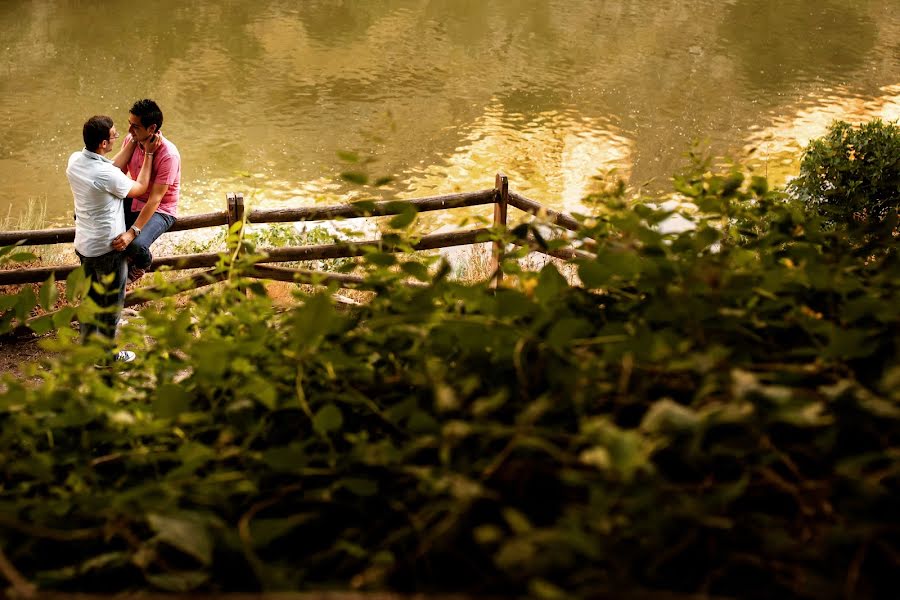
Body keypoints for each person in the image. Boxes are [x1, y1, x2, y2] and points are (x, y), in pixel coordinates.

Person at [66, 115, 160, 362]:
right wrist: (149, 154)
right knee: (111, 305)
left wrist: (130, 143)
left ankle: (88, 351)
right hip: (109, 248)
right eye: (114, 136)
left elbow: (111, 167)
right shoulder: (106, 174)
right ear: (103, 144)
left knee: (90, 300)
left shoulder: (75, 160)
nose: (119, 137)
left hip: (84, 246)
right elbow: (139, 188)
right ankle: (107, 359)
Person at [111, 98, 181, 282]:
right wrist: (134, 141)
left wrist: (131, 233)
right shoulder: (131, 139)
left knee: (136, 245)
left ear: (151, 129)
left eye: (135, 127)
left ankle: (143, 263)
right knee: (101, 217)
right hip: (135, 196)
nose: (129, 131)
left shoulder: (169, 155)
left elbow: (156, 199)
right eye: (129, 125)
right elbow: (116, 173)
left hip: (161, 208)